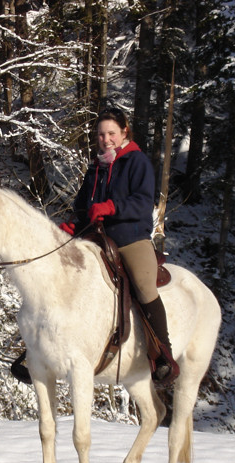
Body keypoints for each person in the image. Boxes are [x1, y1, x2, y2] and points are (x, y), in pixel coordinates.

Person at [59, 107, 179, 386]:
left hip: (129, 238)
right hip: (96, 238)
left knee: (144, 286)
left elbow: (142, 201)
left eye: (111, 133)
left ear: (124, 131)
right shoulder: (96, 166)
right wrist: (72, 226)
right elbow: (83, 207)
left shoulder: (136, 162)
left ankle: (163, 354)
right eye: (101, 134)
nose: (106, 139)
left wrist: (112, 206)